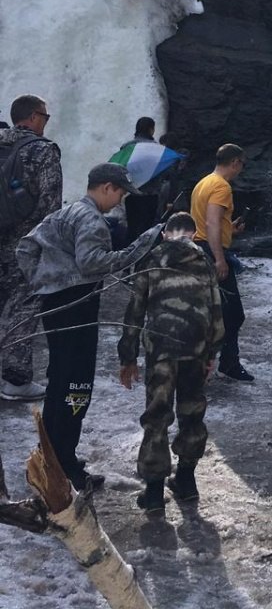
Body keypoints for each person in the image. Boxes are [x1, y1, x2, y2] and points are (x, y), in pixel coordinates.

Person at [16, 163, 160, 490]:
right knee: (76, 387)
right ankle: (64, 466)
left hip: (56, 305)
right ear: (107, 187)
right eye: (121, 193)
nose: (121, 200)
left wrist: (44, 282)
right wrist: (141, 246)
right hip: (77, 306)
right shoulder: (92, 220)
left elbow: (25, 246)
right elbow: (92, 263)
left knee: (59, 380)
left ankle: (53, 455)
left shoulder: (66, 213)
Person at [118, 212, 224, 514]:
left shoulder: (151, 260)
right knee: (192, 413)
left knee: (157, 415)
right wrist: (212, 354)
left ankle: (153, 494)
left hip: (161, 350)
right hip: (196, 349)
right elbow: (217, 309)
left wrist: (128, 357)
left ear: (165, 234)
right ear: (193, 235)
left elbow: (134, 311)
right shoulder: (204, 262)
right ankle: (187, 482)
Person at [0, 94, 63, 401]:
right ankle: (15, 379)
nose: (45, 122)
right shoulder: (42, 150)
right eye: (45, 116)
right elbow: (50, 205)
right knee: (22, 308)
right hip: (24, 245)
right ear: (34, 117)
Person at [190, 144, 252, 382]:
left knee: (211, 310)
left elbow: (208, 221)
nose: (241, 170)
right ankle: (225, 362)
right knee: (233, 313)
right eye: (242, 164)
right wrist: (219, 258)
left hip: (200, 246)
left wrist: (230, 230)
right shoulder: (221, 186)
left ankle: (211, 361)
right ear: (235, 162)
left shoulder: (204, 182)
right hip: (210, 250)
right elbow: (213, 223)